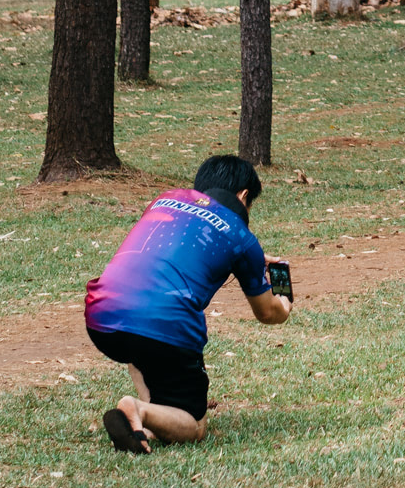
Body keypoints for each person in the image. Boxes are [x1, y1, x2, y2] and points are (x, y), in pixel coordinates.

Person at [83, 152, 291, 452]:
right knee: (194, 426)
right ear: (243, 196)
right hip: (161, 326)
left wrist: (248, 262)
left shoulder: (165, 199)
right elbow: (268, 313)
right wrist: (282, 301)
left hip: (102, 318)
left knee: (140, 318)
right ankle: (137, 409)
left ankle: (149, 419)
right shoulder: (241, 236)